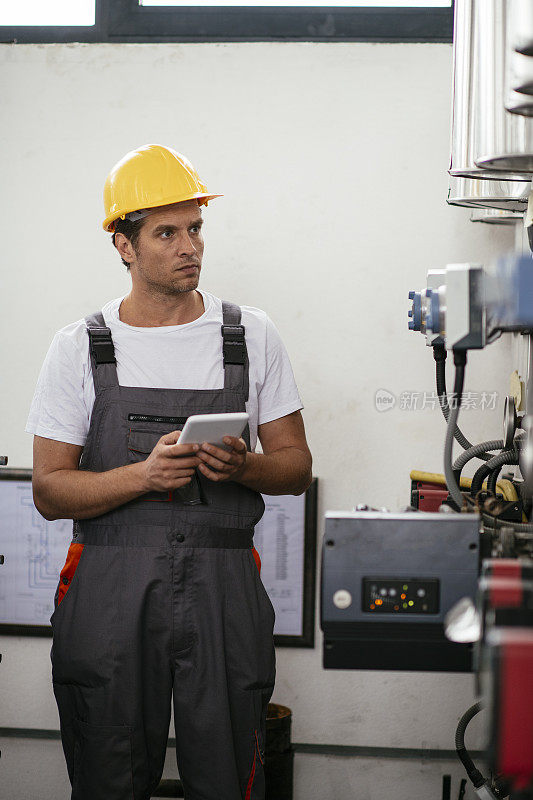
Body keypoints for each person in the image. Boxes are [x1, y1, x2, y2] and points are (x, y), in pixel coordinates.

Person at [26, 143, 312, 800]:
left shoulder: (250, 335)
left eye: (196, 228)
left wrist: (243, 467)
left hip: (223, 578)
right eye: (166, 233)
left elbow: (295, 467)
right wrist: (144, 477)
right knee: (109, 765)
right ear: (123, 246)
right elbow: (48, 489)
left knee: (230, 762)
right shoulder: (79, 346)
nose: (190, 247)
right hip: (109, 582)